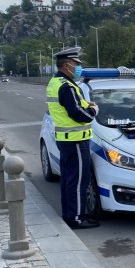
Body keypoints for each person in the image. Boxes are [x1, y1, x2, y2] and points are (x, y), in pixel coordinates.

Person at [46, 46, 100, 229]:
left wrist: (87, 105)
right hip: (75, 140)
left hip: (67, 139)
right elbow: (78, 113)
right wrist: (93, 111)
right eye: (76, 64)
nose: (78, 67)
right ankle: (77, 217)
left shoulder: (57, 82)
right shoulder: (66, 86)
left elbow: (76, 105)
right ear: (67, 64)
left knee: (69, 180)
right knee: (78, 181)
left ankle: (70, 214)